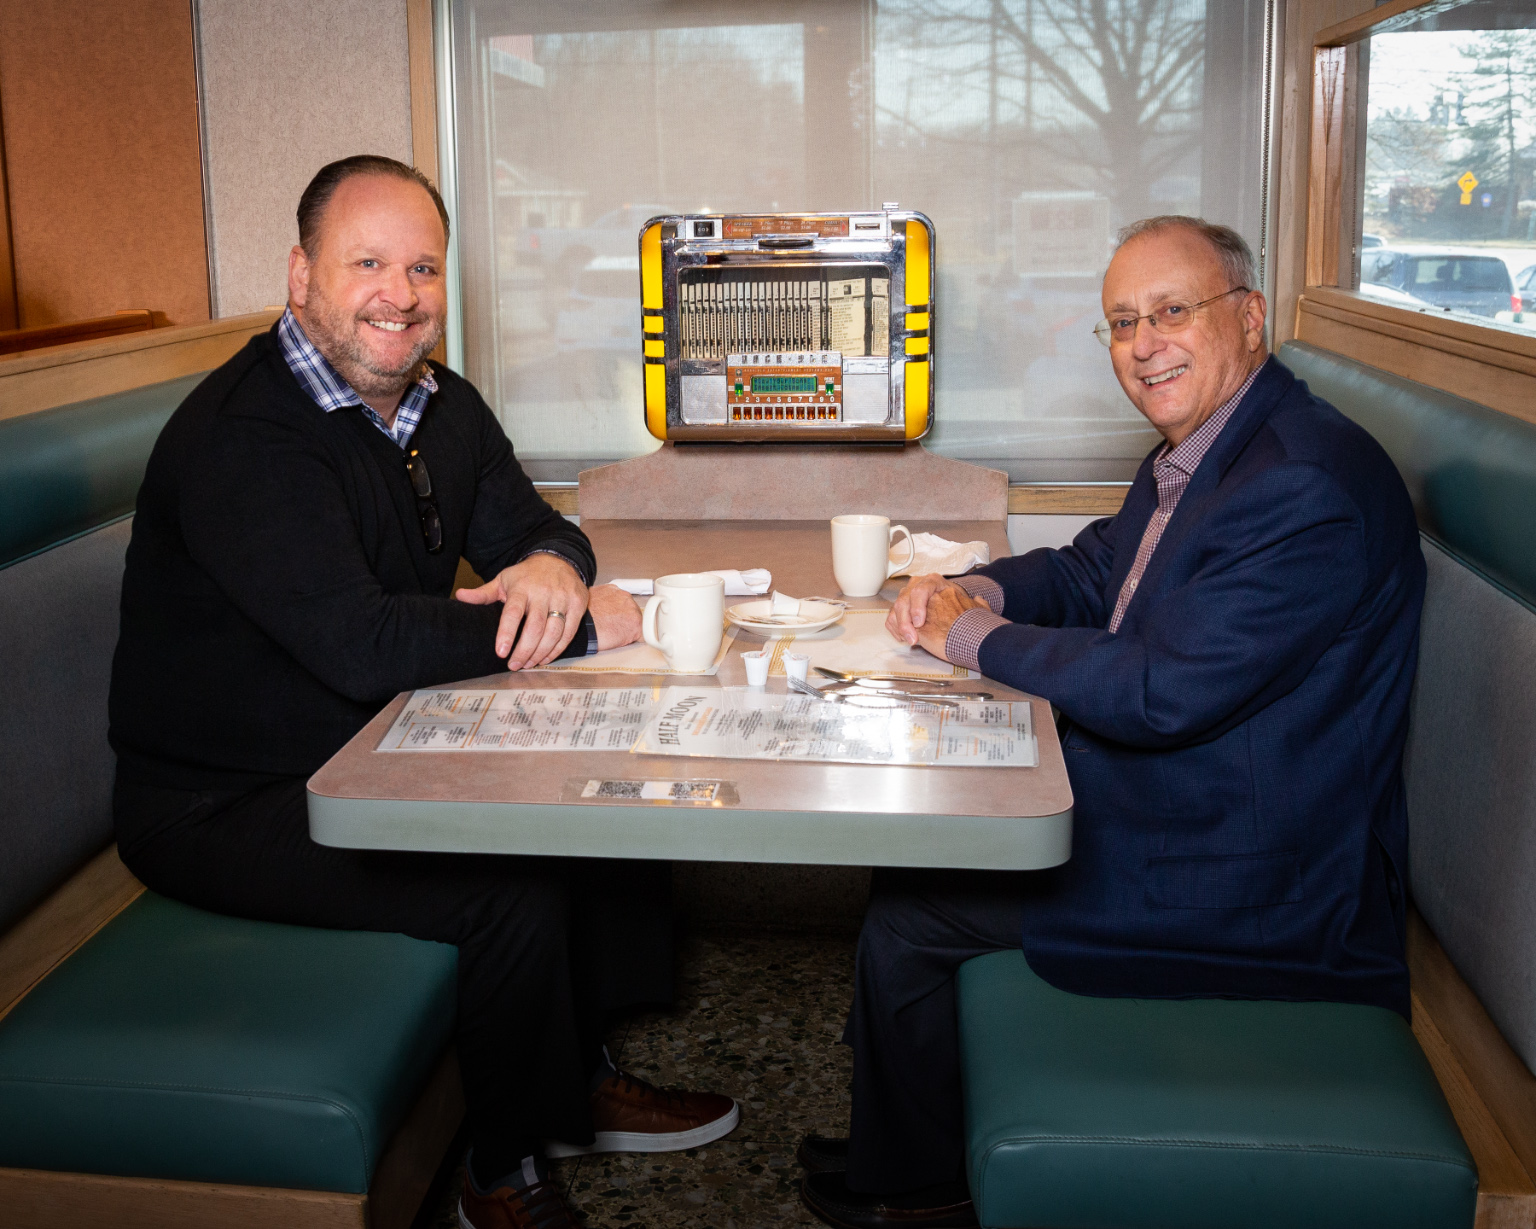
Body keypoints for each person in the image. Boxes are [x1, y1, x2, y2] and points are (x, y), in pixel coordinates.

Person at [108, 154, 738, 1229]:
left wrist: (553, 567)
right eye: (367, 263)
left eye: (423, 267)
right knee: (508, 881)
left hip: (366, 740)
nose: (399, 294)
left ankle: (572, 1076)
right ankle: (501, 1171)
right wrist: (581, 616)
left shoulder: (438, 404)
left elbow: (542, 526)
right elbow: (358, 642)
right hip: (227, 797)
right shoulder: (245, 438)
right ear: (300, 276)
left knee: (609, 785)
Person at [798, 216, 1425, 1229]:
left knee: (913, 912)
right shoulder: (1213, 447)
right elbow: (1095, 571)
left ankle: (920, 1187)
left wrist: (971, 641)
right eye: (1122, 322)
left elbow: (1159, 688)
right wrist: (980, 584)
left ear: (1251, 317)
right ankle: (909, 1129)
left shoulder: (1303, 488)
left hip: (1266, 885)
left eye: (1172, 310)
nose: (1144, 343)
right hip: (1219, 814)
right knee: (920, 850)